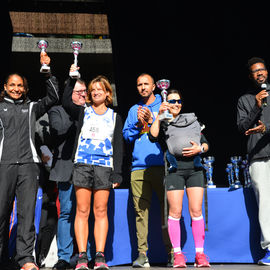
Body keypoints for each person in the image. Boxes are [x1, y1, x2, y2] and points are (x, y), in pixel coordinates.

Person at [0, 53, 59, 270]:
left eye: (20, 86)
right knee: (1, 213)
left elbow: (53, 97)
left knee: (26, 214)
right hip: (3, 166)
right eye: (12, 85)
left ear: (25, 89)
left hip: (28, 165)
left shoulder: (32, 107)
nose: (16, 89)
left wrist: (47, 71)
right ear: (5, 87)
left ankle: (25, 259)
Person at [62, 65, 124, 270]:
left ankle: (99, 256)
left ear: (108, 93)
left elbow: (118, 146)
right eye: (93, 89)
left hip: (104, 166)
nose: (96, 91)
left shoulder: (115, 117)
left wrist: (117, 172)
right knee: (82, 210)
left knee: (101, 210)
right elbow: (65, 101)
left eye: (100, 88)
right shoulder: (83, 112)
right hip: (82, 164)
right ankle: (81, 257)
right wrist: (72, 79)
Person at [149, 89, 210, 268]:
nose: (176, 104)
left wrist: (201, 149)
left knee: (196, 211)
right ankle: (178, 255)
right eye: (172, 101)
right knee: (174, 212)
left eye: (178, 101)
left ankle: (200, 255)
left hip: (195, 169)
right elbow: (153, 136)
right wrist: (159, 115)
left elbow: (206, 143)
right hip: (175, 170)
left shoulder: (191, 121)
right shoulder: (164, 122)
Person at [122, 73, 171, 268]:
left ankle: (172, 253)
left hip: (162, 166)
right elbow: (126, 136)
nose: (142, 87)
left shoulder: (164, 104)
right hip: (138, 168)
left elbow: (170, 132)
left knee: (167, 213)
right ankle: (142, 254)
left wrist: (153, 119)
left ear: (154, 87)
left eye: (146, 84)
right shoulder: (134, 109)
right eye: (139, 84)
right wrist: (138, 124)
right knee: (140, 213)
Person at [48, 78, 88, 270]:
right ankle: (64, 257)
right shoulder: (57, 111)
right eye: (78, 91)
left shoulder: (92, 111)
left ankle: (84, 255)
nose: (83, 94)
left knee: (86, 213)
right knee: (66, 213)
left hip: (89, 169)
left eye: (84, 91)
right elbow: (58, 131)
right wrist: (77, 117)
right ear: (68, 93)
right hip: (66, 169)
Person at [237, 56, 270, 265]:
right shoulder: (245, 100)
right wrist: (257, 106)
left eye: (262, 70)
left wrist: (267, 128)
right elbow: (242, 128)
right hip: (258, 157)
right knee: (266, 205)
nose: (260, 73)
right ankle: (269, 248)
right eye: (255, 71)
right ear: (251, 76)